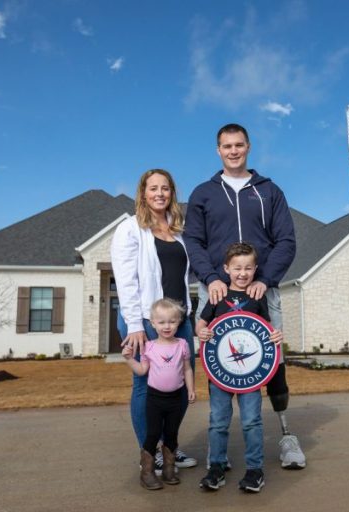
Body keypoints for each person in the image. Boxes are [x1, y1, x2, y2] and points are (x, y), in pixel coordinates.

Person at [184, 123, 306, 470]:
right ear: (218, 150)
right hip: (218, 291)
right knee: (221, 364)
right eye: (227, 146)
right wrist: (210, 277)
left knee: (272, 360)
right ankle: (219, 450)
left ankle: (286, 436)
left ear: (248, 147)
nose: (233, 151)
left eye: (239, 145)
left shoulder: (269, 191)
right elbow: (193, 241)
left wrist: (265, 280)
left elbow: (286, 240)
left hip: (260, 289)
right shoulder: (203, 193)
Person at [111, 168, 198, 475]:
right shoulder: (130, 228)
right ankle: (151, 453)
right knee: (145, 387)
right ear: (143, 193)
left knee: (182, 382)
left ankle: (169, 447)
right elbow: (126, 281)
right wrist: (135, 324)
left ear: (172, 192)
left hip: (181, 319)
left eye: (165, 188)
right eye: (153, 188)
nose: (160, 193)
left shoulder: (178, 229)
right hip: (145, 321)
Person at [196, 243, 283, 493]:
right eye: (237, 268)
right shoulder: (217, 295)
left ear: (255, 269)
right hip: (220, 372)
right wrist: (202, 331)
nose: (242, 273)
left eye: (247, 268)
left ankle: (255, 470)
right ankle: (216, 468)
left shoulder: (258, 297)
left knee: (251, 422)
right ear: (226, 268)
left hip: (250, 375)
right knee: (218, 422)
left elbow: (267, 330)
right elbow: (200, 325)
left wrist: (276, 336)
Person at [122, 298, 196, 490]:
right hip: (154, 399)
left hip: (175, 399)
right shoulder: (149, 347)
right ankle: (147, 472)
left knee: (172, 434)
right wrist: (130, 359)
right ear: (152, 323)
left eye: (172, 321)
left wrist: (191, 389)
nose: (167, 326)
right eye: (161, 322)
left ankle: (169, 470)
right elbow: (141, 371)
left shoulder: (182, 344)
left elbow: (187, 369)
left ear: (179, 321)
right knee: (153, 434)